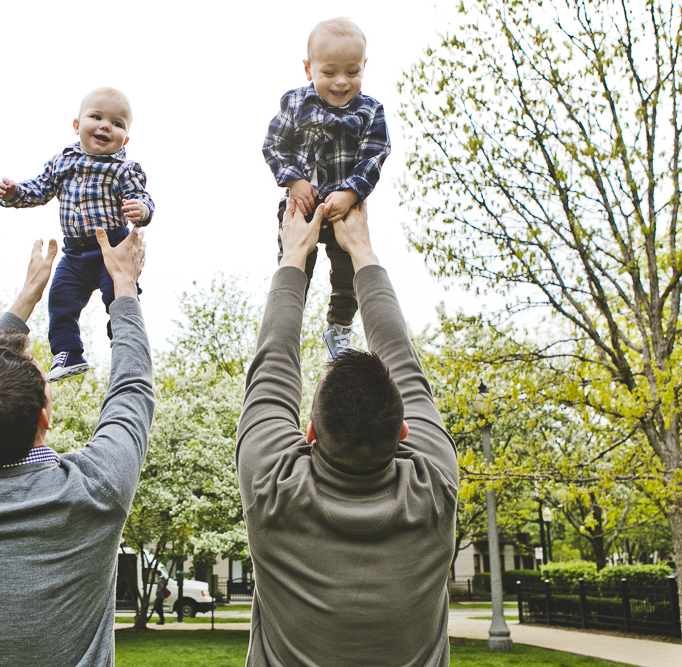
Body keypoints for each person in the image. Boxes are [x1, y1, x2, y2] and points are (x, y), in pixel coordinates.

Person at [0, 228, 153, 667]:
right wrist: (124, 288)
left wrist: (26, 299)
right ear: (44, 417)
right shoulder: (95, 491)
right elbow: (132, 387)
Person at [236, 199, 458, 666]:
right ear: (403, 431)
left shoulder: (272, 490)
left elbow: (274, 363)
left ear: (310, 431)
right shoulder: (435, 489)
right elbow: (402, 359)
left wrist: (296, 255)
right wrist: (360, 252)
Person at [0, 86, 155, 382]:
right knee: (59, 299)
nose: (106, 125)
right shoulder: (62, 162)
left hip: (111, 248)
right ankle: (68, 352)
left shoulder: (123, 168)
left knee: (117, 295)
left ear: (126, 138)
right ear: (77, 125)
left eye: (117, 123)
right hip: (74, 255)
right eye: (96, 117)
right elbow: (39, 190)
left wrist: (141, 211)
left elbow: (143, 198)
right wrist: (15, 193)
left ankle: (124, 340)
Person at [262, 17, 391, 360]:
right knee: (294, 265)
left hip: (344, 209)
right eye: (329, 71)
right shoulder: (295, 104)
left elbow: (375, 154)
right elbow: (274, 144)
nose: (341, 81)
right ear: (308, 69)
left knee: (349, 273)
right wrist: (294, 179)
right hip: (301, 206)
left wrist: (351, 192)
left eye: (351, 71)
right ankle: (290, 319)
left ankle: (339, 327)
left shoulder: (370, 111)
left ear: (364, 67)